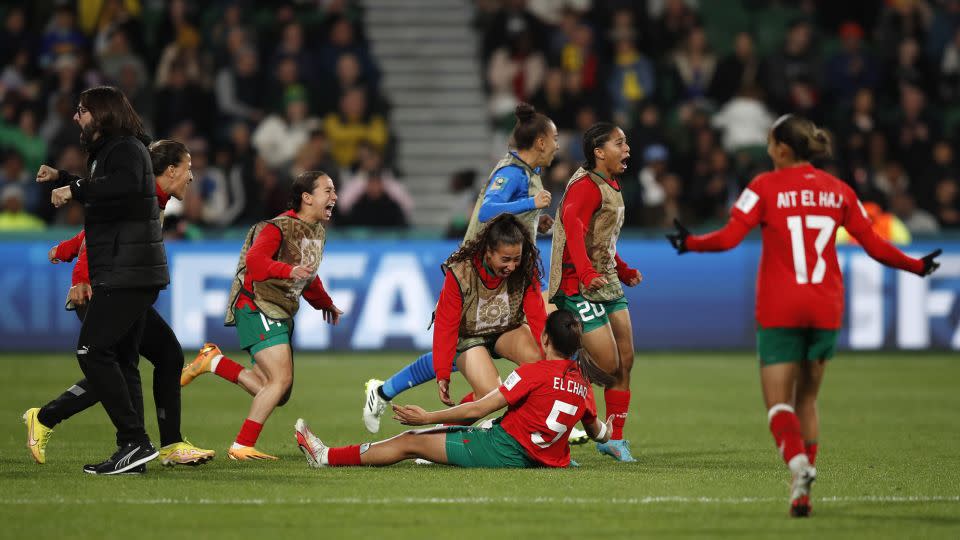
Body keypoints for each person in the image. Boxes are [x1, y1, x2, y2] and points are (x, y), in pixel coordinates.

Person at [665, 114, 942, 517]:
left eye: (769, 142)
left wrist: (691, 242)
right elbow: (875, 245)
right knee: (808, 399)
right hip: (826, 304)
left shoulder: (762, 186)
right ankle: (803, 495)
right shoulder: (840, 191)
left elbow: (728, 238)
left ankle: (798, 465)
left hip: (781, 306)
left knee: (778, 404)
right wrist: (916, 267)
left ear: (781, 149)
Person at [362, 103, 562, 434]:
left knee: (503, 360)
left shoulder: (529, 174)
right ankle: (427, 420)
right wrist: (531, 204)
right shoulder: (511, 173)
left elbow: (505, 221)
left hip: (503, 275)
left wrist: (534, 221)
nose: (557, 145)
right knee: (467, 351)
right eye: (554, 138)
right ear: (540, 141)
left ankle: (384, 393)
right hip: (477, 276)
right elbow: (487, 211)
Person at [23, 140, 215, 470]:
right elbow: (99, 229)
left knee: (165, 356)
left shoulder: (156, 194)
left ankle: (163, 446)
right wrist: (81, 277)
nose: (192, 177)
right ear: (170, 171)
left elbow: (101, 207)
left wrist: (62, 180)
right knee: (120, 369)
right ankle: (59, 422)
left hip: (125, 287)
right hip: (104, 290)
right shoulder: (145, 194)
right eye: (188, 169)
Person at [36, 86, 169, 475]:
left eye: (82, 110)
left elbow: (126, 189)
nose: (76, 117)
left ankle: (134, 441)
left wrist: (74, 187)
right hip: (127, 267)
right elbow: (114, 189)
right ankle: (132, 452)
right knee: (122, 359)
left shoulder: (126, 148)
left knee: (92, 351)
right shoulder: (114, 150)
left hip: (129, 270)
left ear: (103, 114)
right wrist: (65, 176)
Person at [296, 310, 613, 469]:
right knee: (463, 428)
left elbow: (478, 408)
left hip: (501, 450)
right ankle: (437, 443)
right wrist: (608, 433)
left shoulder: (530, 373)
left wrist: (426, 417)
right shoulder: (582, 383)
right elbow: (598, 431)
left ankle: (325, 456)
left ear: (544, 339)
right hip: (539, 456)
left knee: (411, 441)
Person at [179, 171, 343, 461]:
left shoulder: (317, 232)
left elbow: (308, 275)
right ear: (307, 197)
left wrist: (325, 303)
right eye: (328, 191)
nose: (335, 197)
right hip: (257, 305)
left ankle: (214, 361)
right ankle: (242, 445)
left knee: (276, 392)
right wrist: (288, 270)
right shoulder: (277, 227)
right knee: (280, 380)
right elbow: (255, 262)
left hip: (278, 310)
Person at [547, 122, 644, 463]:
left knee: (625, 362)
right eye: (620, 143)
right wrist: (586, 272)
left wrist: (623, 267)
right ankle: (558, 385)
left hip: (606, 280)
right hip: (579, 284)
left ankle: (614, 440)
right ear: (599, 152)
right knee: (606, 364)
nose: (627, 148)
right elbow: (573, 227)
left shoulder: (611, 184)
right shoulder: (585, 187)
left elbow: (599, 239)